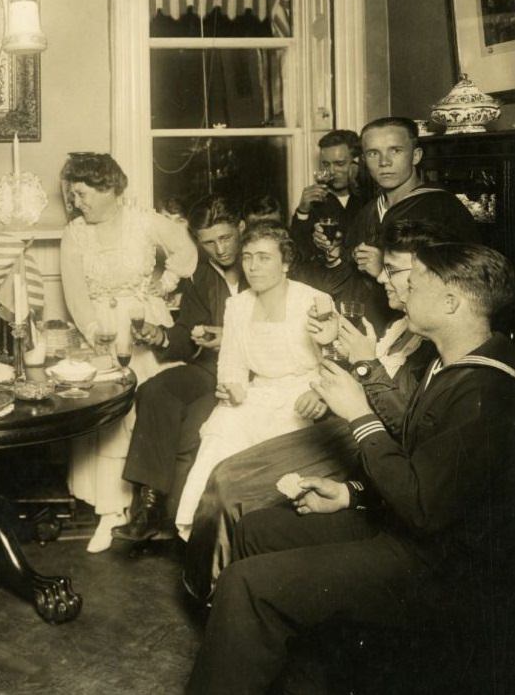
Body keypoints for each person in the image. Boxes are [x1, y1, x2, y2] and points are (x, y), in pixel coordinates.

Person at [186, 242, 515, 695]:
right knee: (255, 530)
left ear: (451, 303)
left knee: (246, 583)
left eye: (414, 283)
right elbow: (420, 456)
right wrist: (350, 494)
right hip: (410, 532)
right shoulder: (449, 364)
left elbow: (423, 505)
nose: (398, 290)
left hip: (440, 569)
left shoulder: (487, 391)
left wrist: (359, 416)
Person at [181, 219, 450, 600]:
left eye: (393, 271)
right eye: (249, 258)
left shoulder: (433, 347)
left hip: (353, 431)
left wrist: (342, 373)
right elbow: (359, 374)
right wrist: (347, 359)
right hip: (345, 419)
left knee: (231, 481)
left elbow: (399, 417)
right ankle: (215, 585)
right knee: (222, 463)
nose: (381, 278)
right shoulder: (400, 329)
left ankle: (222, 588)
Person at [59, 153, 198, 552]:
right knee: (110, 421)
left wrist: (167, 282)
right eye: (73, 195)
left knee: (150, 414)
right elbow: (75, 296)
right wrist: (94, 337)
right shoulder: (76, 234)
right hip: (101, 332)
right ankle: (111, 512)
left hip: (145, 326)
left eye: (83, 194)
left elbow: (187, 255)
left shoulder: (145, 221)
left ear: (109, 189)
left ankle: (151, 508)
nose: (77, 202)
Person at [174, 224, 329, 538]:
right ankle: (208, 540)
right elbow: (231, 363)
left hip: (301, 396)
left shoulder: (313, 300)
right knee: (219, 438)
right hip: (255, 395)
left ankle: (258, 540)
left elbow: (334, 360)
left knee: (272, 469)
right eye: (247, 258)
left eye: (263, 258)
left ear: (285, 263)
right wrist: (231, 388)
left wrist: (321, 393)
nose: (253, 266)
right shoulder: (239, 305)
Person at [112, 194, 246, 546]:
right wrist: (160, 337)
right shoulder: (201, 274)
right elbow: (188, 335)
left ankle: (177, 515)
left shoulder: (261, 264)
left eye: (226, 237)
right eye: (208, 242)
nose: (219, 249)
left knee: (192, 422)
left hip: (251, 374)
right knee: (154, 391)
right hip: (208, 368)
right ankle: (149, 506)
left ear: (241, 228)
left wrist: (230, 339)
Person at [313, 117, 479, 333]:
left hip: (422, 337)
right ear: (363, 160)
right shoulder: (367, 212)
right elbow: (344, 284)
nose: (384, 162)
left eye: (395, 151)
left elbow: (466, 291)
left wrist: (384, 270)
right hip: (371, 334)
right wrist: (334, 255)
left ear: (416, 155)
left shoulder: (442, 207)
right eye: (373, 153)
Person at [289, 130, 367, 264]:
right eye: (326, 164)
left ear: (356, 163)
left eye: (339, 164)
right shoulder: (315, 202)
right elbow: (297, 254)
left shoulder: (371, 198)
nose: (331, 171)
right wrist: (302, 212)